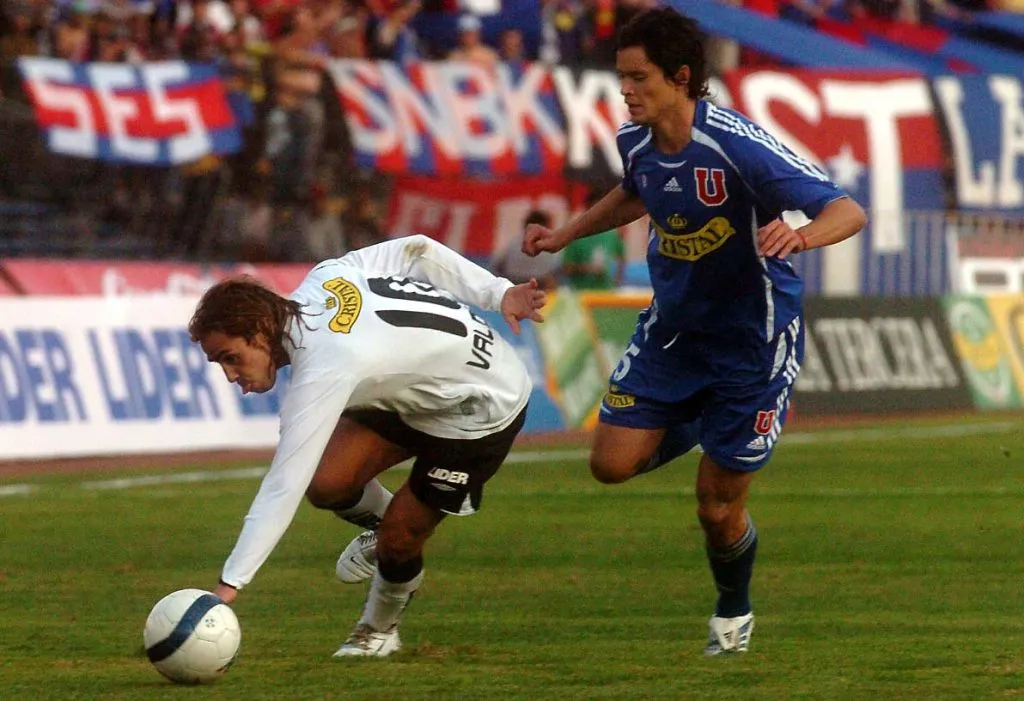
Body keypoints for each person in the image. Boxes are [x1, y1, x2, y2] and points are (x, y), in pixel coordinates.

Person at [522, 6, 866, 655]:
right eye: (620, 77)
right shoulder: (637, 141)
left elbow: (847, 210)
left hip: (751, 344)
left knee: (715, 507)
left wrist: (799, 233)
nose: (625, 90)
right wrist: (567, 232)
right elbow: (636, 191)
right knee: (609, 463)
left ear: (680, 77)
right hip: (674, 332)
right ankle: (700, 417)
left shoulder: (738, 146)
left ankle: (732, 613)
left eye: (638, 78)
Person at [188, 235, 546, 657]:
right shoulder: (325, 277)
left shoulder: (325, 365)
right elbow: (416, 250)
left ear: (260, 329)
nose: (231, 375)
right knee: (327, 482)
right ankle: (383, 529)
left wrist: (229, 585)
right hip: (411, 391)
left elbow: (282, 486)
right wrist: (498, 291)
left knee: (400, 539)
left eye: (230, 357)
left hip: (481, 406)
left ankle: (378, 630)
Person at [559, 190, 626, 290]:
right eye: (596, 210)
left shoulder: (612, 233)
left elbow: (622, 257)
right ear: (587, 209)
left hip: (606, 294)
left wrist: (617, 281)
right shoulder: (575, 235)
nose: (600, 214)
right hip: (581, 296)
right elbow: (566, 268)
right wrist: (587, 269)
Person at [492, 209, 561, 291]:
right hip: (540, 287)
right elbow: (557, 267)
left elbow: (497, 264)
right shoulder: (549, 246)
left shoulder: (513, 244)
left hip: (514, 285)